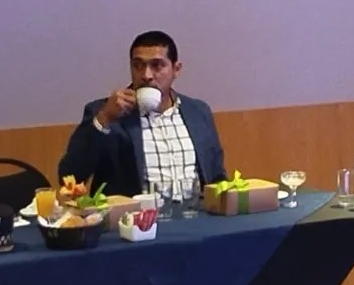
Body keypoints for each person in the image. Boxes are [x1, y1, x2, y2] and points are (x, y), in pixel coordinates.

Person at [58, 30, 228, 200]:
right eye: (138, 65)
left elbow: (217, 176)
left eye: (157, 66)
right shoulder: (105, 113)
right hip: (134, 215)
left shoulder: (198, 112)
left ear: (176, 70)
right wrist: (105, 118)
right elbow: (70, 177)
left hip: (195, 213)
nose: (146, 75)